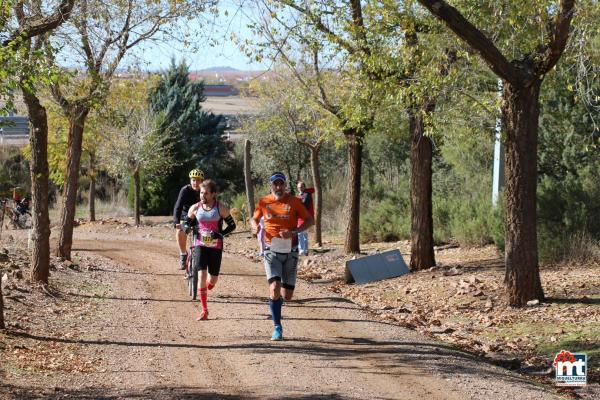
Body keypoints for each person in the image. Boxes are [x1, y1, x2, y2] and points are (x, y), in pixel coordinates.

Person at [251, 172, 314, 341]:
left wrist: (293, 232)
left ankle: (276, 302)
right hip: (271, 251)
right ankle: (277, 327)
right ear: (270, 185)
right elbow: (254, 219)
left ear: (285, 185)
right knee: (274, 288)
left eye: (281, 184)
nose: (278, 187)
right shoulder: (264, 201)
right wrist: (255, 227)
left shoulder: (294, 201)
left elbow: (309, 220)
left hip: (291, 252)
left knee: (287, 296)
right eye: (275, 184)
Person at [187, 179, 236, 320]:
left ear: (213, 194)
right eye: (201, 193)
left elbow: (232, 226)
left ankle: (208, 286)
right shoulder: (195, 208)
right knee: (201, 276)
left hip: (215, 247)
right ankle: (204, 310)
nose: (203, 196)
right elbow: (187, 222)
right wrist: (186, 227)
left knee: (212, 280)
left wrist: (220, 234)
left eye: (206, 193)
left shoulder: (220, 208)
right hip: (200, 245)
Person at [173, 169, 204, 270]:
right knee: (180, 231)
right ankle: (183, 254)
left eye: (198, 180)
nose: (196, 183)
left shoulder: (205, 191)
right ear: (190, 181)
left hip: (201, 216)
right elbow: (178, 206)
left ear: (202, 181)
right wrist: (176, 222)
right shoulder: (185, 190)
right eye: (193, 180)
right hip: (186, 216)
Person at [296, 181, 315, 256]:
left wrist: (297, 203)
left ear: (304, 187)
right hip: (302, 217)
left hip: (305, 217)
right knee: (303, 234)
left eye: (301, 187)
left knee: (300, 233)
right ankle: (305, 250)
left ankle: (302, 250)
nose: (299, 188)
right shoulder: (301, 194)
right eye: (298, 187)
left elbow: (305, 206)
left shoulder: (307, 195)